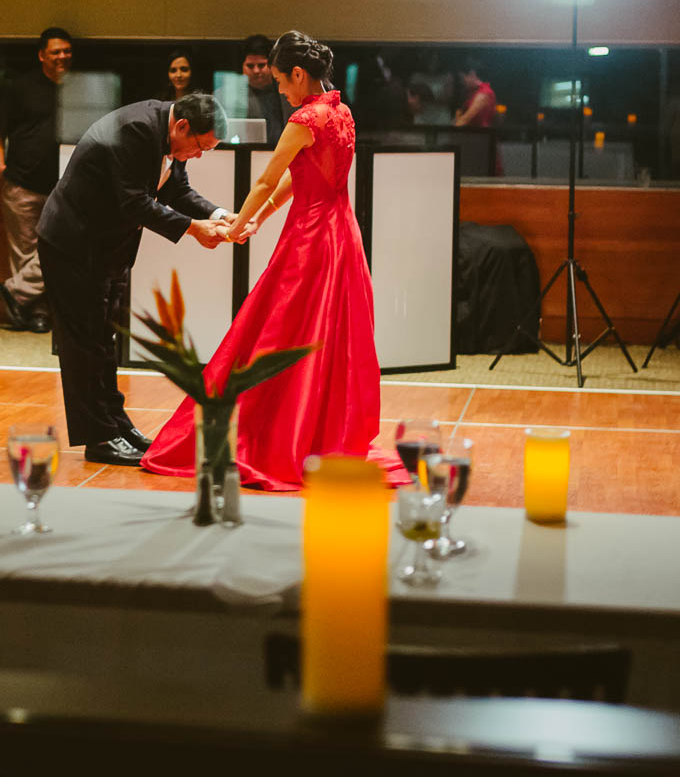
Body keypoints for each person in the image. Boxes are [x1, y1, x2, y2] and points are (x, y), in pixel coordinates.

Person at [141, 33, 410, 490]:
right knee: (328, 335)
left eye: (282, 81)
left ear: (299, 75)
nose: (280, 90)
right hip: (342, 234)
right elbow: (300, 175)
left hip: (309, 239)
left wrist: (236, 225)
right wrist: (259, 221)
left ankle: (277, 437)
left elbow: (268, 180)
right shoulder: (341, 112)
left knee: (276, 330)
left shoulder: (305, 117)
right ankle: (320, 432)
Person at [37, 92, 234, 466]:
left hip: (106, 248)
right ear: (183, 127)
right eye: (200, 147)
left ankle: (116, 425)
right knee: (84, 344)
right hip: (73, 244)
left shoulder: (166, 133)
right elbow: (135, 202)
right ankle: (98, 438)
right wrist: (194, 229)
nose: (199, 155)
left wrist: (220, 214)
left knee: (104, 341)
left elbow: (176, 190)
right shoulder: (137, 130)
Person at [0, 27, 70, 333]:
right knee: (25, 250)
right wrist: (0, 165)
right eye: (55, 51)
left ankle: (15, 291)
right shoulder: (20, 87)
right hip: (21, 183)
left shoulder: (76, 90)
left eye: (66, 51)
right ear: (42, 56)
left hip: (63, 187)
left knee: (59, 248)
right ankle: (36, 314)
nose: (62, 56)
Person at [241, 33, 287, 147]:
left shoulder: (288, 94)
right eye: (250, 66)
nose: (256, 71)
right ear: (242, 67)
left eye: (261, 65)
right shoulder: (228, 95)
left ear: (272, 66)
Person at [453, 58, 497, 127]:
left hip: (479, 135)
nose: (461, 82)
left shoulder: (484, 93)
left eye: (462, 79)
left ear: (471, 74)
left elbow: (464, 120)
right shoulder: (470, 92)